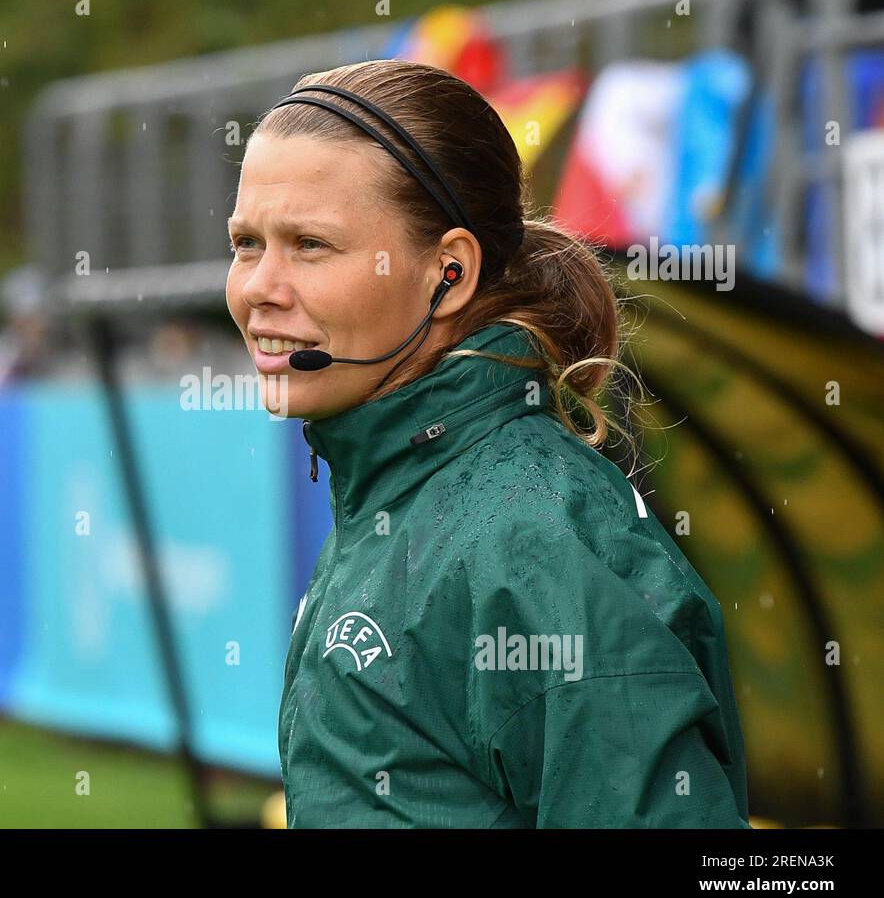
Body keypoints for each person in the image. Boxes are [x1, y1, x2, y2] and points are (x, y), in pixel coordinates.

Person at [225, 58, 750, 828]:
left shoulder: (526, 535)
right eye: (246, 244)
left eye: (309, 245)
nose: (259, 287)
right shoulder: (402, 482)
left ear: (450, 272)